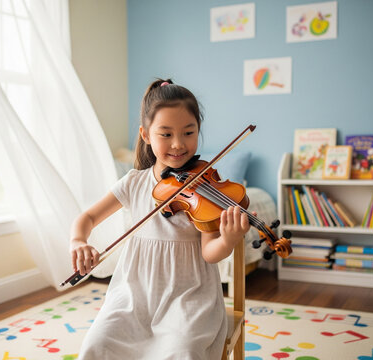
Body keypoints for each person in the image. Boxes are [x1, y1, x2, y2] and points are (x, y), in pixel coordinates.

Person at [70, 78, 251, 359]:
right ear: (146, 135)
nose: (178, 144)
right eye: (165, 134)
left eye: (188, 133)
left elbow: (210, 252)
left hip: (189, 297)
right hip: (134, 294)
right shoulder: (133, 183)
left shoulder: (204, 187)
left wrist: (227, 240)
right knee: (97, 345)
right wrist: (78, 240)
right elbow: (88, 217)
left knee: (182, 352)